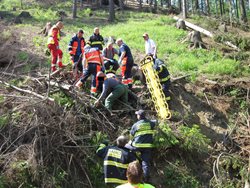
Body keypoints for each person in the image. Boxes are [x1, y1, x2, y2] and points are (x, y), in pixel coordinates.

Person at [125, 110, 157, 182]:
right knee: (145, 162)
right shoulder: (150, 123)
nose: (137, 116)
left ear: (139, 116)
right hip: (148, 146)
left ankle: (135, 160)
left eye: (137, 115)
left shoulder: (136, 125)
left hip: (137, 146)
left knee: (125, 146)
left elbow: (131, 135)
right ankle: (145, 178)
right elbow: (156, 122)